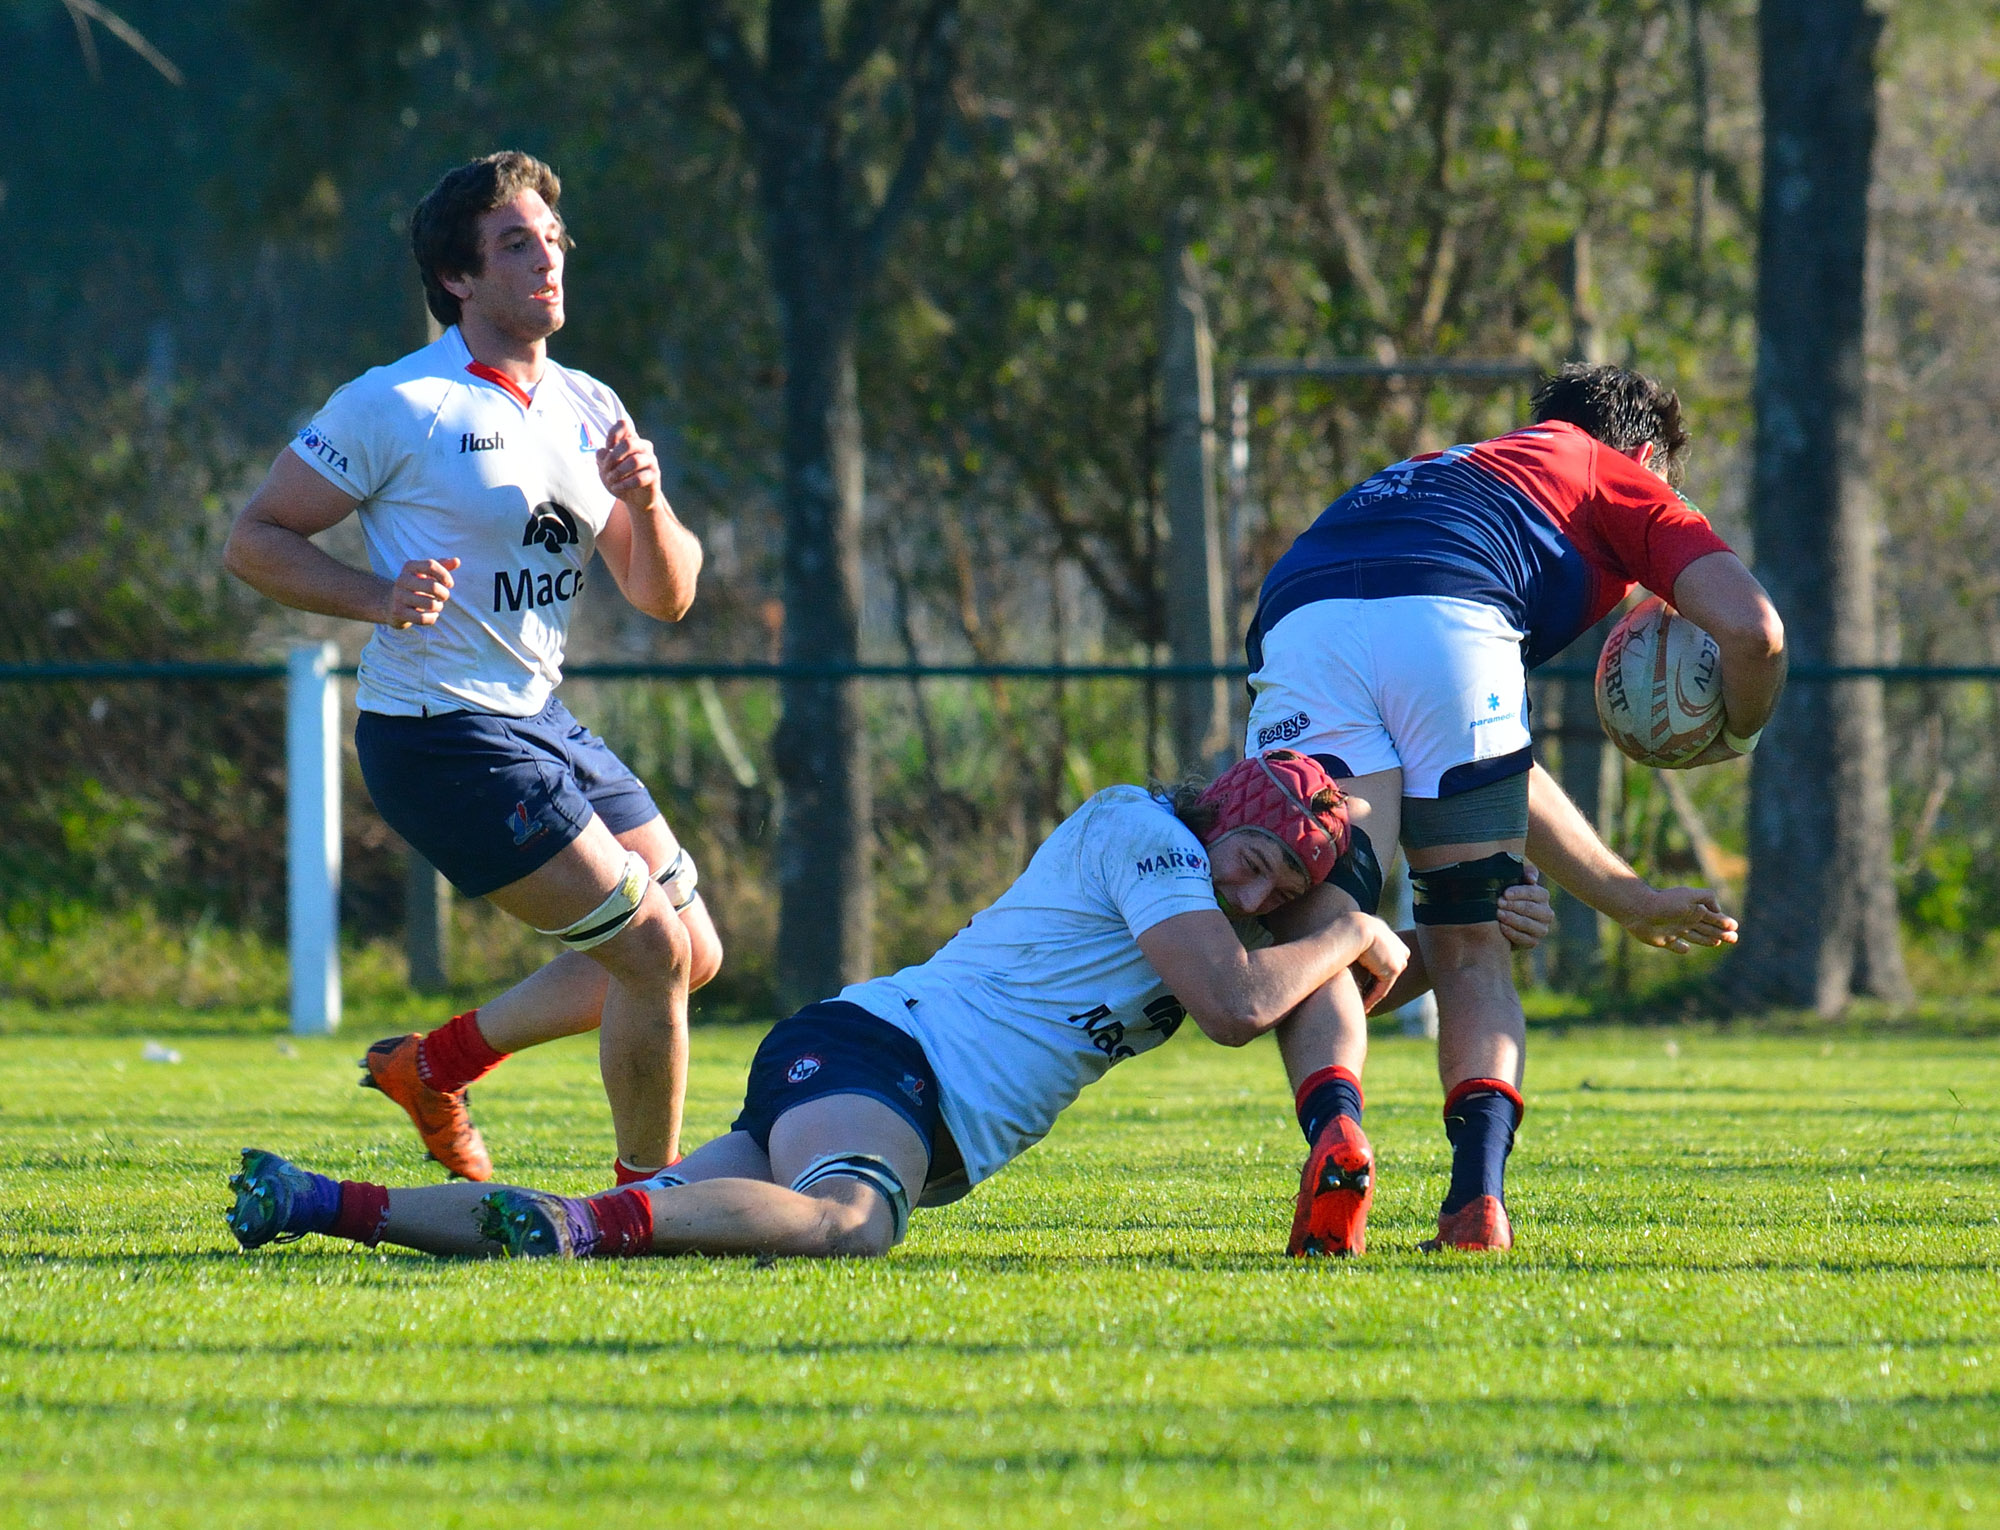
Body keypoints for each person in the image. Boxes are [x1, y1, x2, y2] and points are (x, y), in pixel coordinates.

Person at [225, 753, 1549, 1261]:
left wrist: (1452, 941)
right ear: (1228, 811)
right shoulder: (1148, 835)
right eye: (1257, 851)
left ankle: (319, 1201)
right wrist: (1357, 924)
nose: (1257, 879)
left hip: (856, 1055)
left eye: (1286, 880)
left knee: (714, 1202)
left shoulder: (1222, 911)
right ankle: (592, 1223)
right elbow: (1236, 1008)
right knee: (853, 1221)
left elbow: (1329, 981)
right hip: (889, 1064)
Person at [221, 151, 716, 1188]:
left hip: (537, 718)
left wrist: (650, 500)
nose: (547, 262)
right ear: (457, 278)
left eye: (552, 242)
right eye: (515, 244)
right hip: (437, 735)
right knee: (651, 955)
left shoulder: (587, 404)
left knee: (693, 950)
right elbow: (254, 539)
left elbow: (664, 596)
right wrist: (373, 596)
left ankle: (431, 1067)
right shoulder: (397, 402)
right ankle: (647, 1205)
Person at [1243, 362, 1785, 1253]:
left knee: (1322, 936)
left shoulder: (1442, 470)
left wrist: (1629, 897)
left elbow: (1501, 768)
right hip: (1454, 621)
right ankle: (1475, 1201)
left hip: (1302, 614)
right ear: (1647, 455)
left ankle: (1337, 1134)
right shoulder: (1618, 477)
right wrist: (1739, 731)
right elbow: (1756, 633)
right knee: (1473, 941)